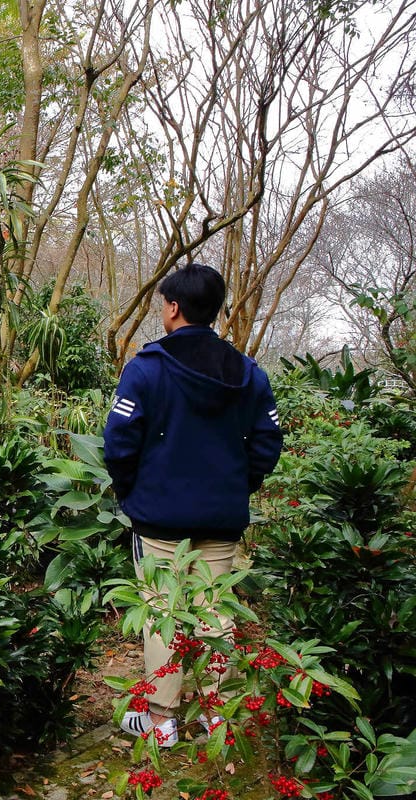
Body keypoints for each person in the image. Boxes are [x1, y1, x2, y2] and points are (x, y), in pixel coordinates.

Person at [103, 263, 284, 747]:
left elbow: (119, 440)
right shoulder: (248, 374)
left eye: (164, 303)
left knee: (164, 609)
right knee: (214, 610)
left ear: (174, 308)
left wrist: (130, 492)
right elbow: (268, 440)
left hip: (158, 519)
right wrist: (236, 485)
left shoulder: (146, 368)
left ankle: (161, 719)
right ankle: (215, 715)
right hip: (220, 520)